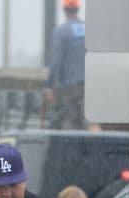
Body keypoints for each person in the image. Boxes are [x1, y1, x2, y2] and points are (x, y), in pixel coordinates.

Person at [45, 0, 87, 130]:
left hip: (69, 86)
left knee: (70, 122)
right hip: (90, 84)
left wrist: (50, 86)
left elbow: (56, 60)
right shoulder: (88, 29)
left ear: (64, 10)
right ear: (78, 9)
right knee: (90, 121)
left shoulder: (61, 32)